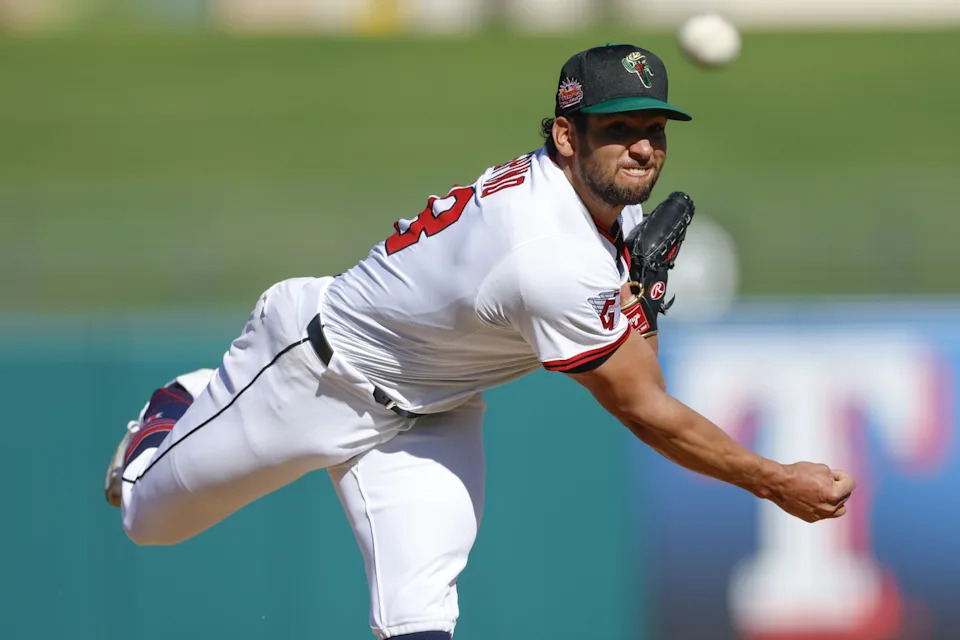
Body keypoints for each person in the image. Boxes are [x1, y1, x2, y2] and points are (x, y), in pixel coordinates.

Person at [104, 43, 855, 640]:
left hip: (434, 411)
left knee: (420, 617)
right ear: (566, 135)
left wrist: (638, 304)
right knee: (148, 519)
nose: (642, 149)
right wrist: (772, 480)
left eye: (653, 131)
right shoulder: (546, 253)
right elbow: (644, 408)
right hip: (317, 370)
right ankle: (186, 399)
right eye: (618, 129)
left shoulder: (597, 212)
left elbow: (635, 374)